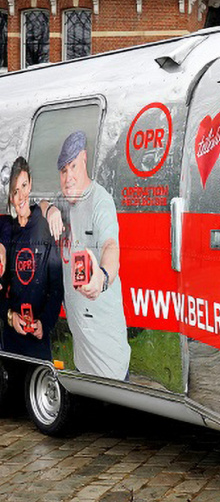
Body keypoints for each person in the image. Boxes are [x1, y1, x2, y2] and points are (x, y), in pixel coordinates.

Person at [46, 131, 130, 380]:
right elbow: (38, 204)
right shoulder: (64, 202)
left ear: (84, 160)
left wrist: (102, 278)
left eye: (73, 166)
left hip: (107, 352)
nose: (68, 176)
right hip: (82, 352)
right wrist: (49, 209)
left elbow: (111, 247)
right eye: (63, 171)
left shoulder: (99, 201)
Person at [0, 157, 63, 361]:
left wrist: (45, 323)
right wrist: (10, 317)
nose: (21, 196)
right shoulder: (8, 231)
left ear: (31, 183)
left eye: (24, 186)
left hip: (39, 341)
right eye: (15, 191)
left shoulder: (44, 225)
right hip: (11, 341)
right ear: (10, 197)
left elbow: (56, 287)